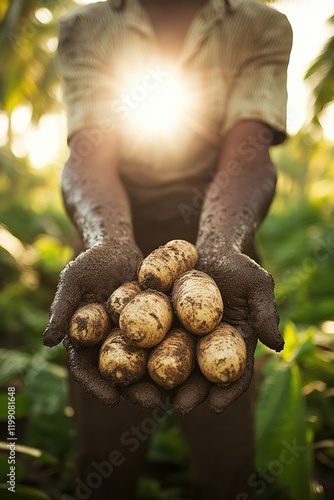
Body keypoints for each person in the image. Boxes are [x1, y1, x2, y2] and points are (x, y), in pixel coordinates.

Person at [43, 0, 292, 498]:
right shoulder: (86, 26)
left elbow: (250, 154)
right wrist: (108, 240)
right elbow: (88, 156)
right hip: (109, 259)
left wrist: (219, 245)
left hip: (225, 247)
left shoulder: (260, 25)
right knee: (104, 460)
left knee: (226, 463)